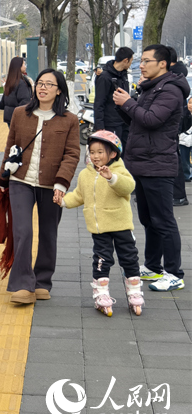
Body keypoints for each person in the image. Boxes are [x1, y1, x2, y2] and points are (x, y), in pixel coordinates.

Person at [0, 68, 80, 304]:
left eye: (49, 84)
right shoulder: (20, 114)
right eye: (40, 83)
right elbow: (10, 147)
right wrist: (3, 180)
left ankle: (42, 281)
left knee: (48, 233)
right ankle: (23, 285)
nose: (42, 87)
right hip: (20, 181)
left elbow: (72, 154)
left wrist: (62, 183)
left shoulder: (70, 120)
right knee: (23, 231)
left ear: (59, 91)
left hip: (51, 184)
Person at [113, 44, 190, 292]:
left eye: (146, 61)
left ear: (162, 64)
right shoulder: (151, 88)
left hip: (158, 164)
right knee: (149, 219)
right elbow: (138, 122)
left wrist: (128, 103)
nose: (141, 65)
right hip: (143, 162)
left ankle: (174, 273)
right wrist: (123, 105)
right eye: (141, 61)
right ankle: (153, 266)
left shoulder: (170, 91)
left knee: (164, 220)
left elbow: (151, 120)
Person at [60, 131, 144, 317]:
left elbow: (128, 187)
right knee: (101, 259)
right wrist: (64, 201)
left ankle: (134, 291)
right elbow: (80, 195)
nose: (95, 156)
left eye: (100, 152)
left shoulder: (120, 170)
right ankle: (101, 293)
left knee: (129, 258)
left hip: (121, 225)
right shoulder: (85, 174)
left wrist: (110, 177)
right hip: (99, 229)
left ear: (113, 154)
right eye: (92, 152)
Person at [93, 47, 134, 151]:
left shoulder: (124, 76)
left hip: (124, 123)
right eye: (131, 61)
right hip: (110, 124)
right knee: (112, 154)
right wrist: (100, 127)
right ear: (126, 60)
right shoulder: (105, 77)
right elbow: (99, 103)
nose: (131, 65)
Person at [168, 48, 190, 206]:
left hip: (173, 123)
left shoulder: (173, 78)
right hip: (175, 122)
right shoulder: (177, 75)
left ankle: (179, 195)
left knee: (173, 159)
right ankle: (177, 194)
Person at [0, 57, 33, 125]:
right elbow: (25, 102)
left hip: (9, 117)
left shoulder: (10, 82)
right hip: (19, 118)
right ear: (19, 67)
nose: (25, 66)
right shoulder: (21, 83)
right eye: (24, 64)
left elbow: (2, 104)